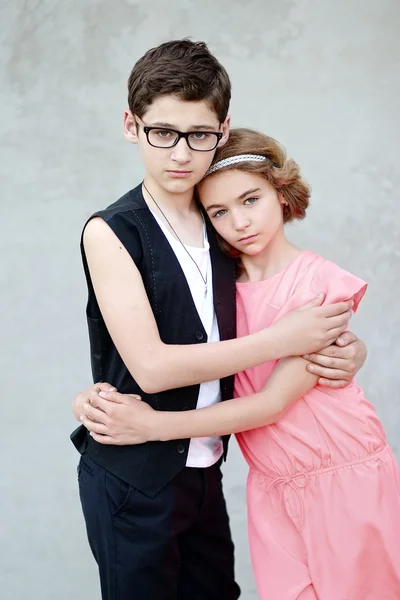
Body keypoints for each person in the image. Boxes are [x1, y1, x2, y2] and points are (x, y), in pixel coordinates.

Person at [72, 40, 367, 600]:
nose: (181, 154)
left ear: (222, 132)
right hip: (135, 472)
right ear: (131, 126)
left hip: (206, 467)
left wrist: (349, 349)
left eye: (199, 136)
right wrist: (286, 340)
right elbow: (154, 368)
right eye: (163, 132)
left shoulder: (223, 224)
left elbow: (282, 295)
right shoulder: (111, 231)